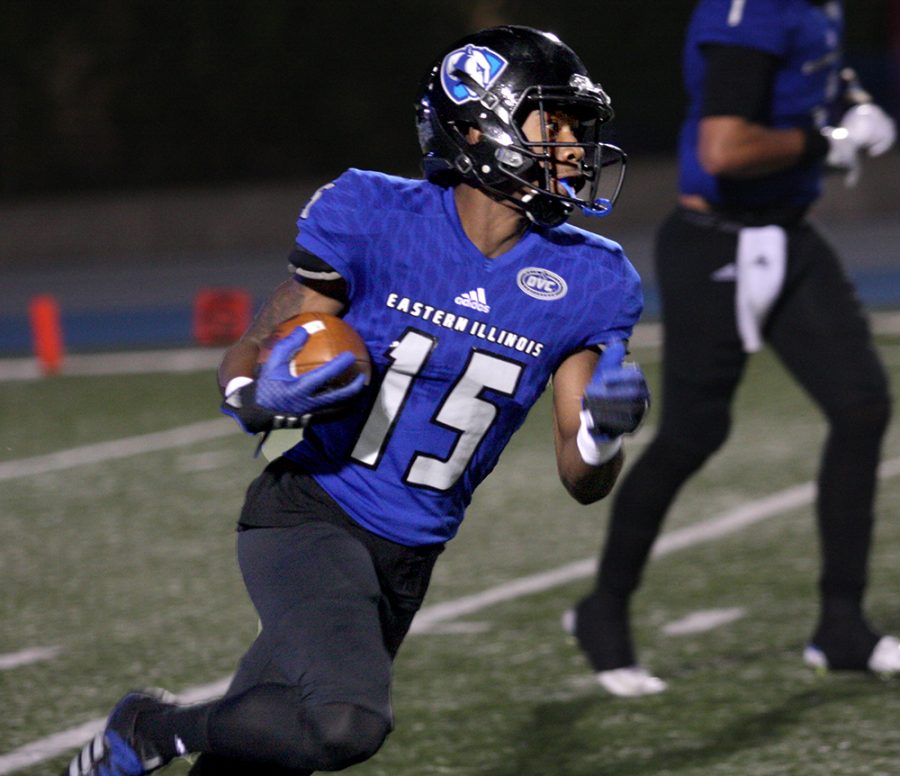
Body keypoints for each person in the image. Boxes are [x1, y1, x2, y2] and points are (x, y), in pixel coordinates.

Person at [63, 25, 651, 775]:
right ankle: (152, 729)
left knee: (270, 752)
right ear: (478, 126)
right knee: (346, 723)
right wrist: (258, 394)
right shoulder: (375, 214)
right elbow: (250, 350)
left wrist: (603, 438)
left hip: (409, 556)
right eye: (554, 121)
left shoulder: (594, 279)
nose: (573, 145)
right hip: (310, 515)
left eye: (576, 124)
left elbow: (581, 480)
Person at [568, 0, 899, 698]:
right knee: (694, 433)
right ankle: (604, 608)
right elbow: (726, 148)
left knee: (862, 404)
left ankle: (841, 626)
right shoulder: (751, 12)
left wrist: (856, 101)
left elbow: (820, 77)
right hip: (716, 239)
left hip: (789, 236)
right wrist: (828, 143)